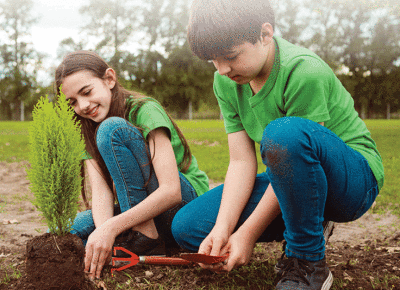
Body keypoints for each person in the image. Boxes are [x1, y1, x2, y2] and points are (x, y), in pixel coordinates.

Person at [171, 0, 384, 289]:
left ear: (265, 34)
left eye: (230, 56)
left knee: (283, 134)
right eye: (213, 60)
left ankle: (308, 261)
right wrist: (223, 229)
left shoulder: (304, 71)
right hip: (291, 177)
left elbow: (291, 144)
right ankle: (309, 218)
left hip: (352, 183)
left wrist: (247, 233)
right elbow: (241, 162)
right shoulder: (226, 82)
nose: (222, 69)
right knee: (188, 227)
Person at [55, 51, 209, 280]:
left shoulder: (144, 109)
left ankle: (145, 236)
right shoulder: (86, 126)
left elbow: (171, 191)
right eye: (73, 102)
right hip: (143, 211)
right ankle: (145, 239)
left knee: (111, 129)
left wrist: (111, 228)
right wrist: (103, 235)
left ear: (109, 79)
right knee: (72, 229)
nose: (83, 105)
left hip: (185, 209)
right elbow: (101, 192)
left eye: (86, 92)